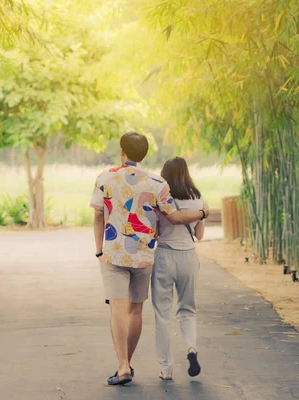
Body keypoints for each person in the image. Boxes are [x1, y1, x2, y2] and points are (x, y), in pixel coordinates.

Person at [90, 133, 208, 386]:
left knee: (118, 311)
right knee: (135, 310)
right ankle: (130, 362)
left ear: (123, 152)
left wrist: (99, 250)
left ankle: (123, 365)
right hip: (143, 256)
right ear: (143, 155)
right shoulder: (157, 182)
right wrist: (202, 212)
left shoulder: (105, 177)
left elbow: (99, 216)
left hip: (113, 254)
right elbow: (174, 217)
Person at [152, 156, 205, 381]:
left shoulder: (161, 198)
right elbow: (199, 235)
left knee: (162, 314)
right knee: (187, 309)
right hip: (188, 258)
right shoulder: (198, 198)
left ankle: (166, 369)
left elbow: (154, 232)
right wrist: (201, 215)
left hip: (164, 256)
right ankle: (191, 349)